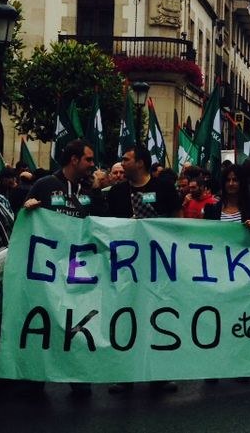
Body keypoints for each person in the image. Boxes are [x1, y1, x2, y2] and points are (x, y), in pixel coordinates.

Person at [23, 139, 106, 397]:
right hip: (48, 270)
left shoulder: (90, 190)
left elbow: (101, 226)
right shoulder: (45, 185)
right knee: (46, 319)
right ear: (74, 160)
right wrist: (27, 209)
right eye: (89, 159)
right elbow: (25, 223)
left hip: (79, 269)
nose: (92, 165)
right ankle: (37, 377)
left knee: (79, 321)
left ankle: (79, 377)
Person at [106, 145, 181, 394]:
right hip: (127, 268)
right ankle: (125, 374)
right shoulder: (117, 193)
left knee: (156, 317)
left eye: (126, 159)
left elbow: (178, 221)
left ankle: (158, 374)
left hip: (157, 266)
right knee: (126, 318)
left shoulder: (164, 188)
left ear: (140, 163)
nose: (121, 163)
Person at [204, 164, 250, 228]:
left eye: (235, 180)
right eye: (228, 180)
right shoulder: (213, 209)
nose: (231, 184)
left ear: (241, 182)